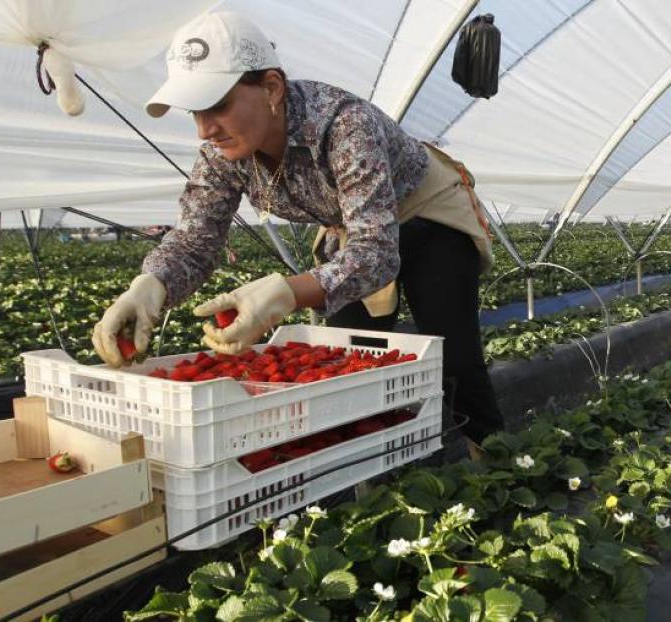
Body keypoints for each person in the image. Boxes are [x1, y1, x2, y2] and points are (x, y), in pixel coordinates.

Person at [90, 11, 502, 445]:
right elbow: (196, 238)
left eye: (217, 106)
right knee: (342, 357)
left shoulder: (344, 125)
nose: (205, 129)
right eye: (195, 111)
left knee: (453, 357)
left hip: (426, 213)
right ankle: (373, 477)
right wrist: (150, 285)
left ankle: (495, 466)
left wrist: (287, 292)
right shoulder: (221, 153)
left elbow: (377, 252)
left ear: (271, 88)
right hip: (352, 229)